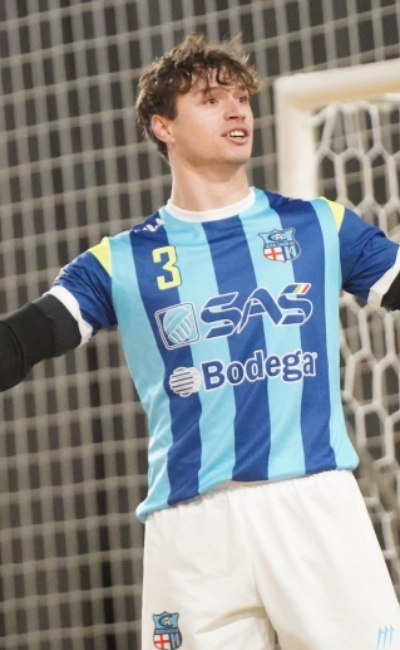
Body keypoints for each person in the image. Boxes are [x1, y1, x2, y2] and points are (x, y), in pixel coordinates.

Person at [1, 33, 400, 650]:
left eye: (241, 98)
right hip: (192, 529)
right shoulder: (119, 261)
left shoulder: (320, 225)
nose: (237, 111)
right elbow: (24, 341)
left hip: (313, 505)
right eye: (212, 100)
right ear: (162, 126)